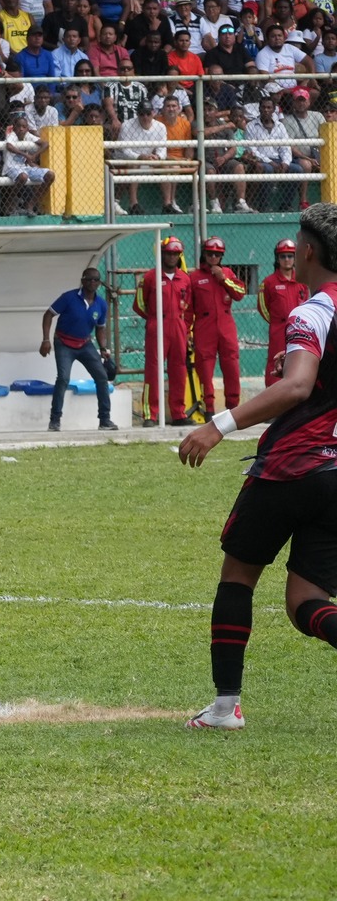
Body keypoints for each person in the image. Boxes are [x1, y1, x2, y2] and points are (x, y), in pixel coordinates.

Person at [179, 204, 337, 731]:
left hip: (292, 467)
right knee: (305, 602)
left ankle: (225, 707)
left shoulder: (313, 311)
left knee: (239, 576)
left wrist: (216, 425)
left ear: (309, 251)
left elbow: (295, 387)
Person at [40, 267, 117, 433]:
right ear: (82, 281)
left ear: (99, 283)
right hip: (63, 342)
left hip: (84, 343)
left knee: (102, 377)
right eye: (89, 279)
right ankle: (55, 420)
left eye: (96, 280)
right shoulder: (69, 297)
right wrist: (46, 339)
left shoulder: (101, 304)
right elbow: (48, 315)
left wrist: (103, 348)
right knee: (63, 378)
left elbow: (100, 328)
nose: (92, 283)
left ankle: (105, 419)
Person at [136, 237, 196, 426]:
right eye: (169, 253)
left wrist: (185, 328)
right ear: (162, 254)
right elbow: (139, 304)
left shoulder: (185, 278)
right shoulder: (150, 277)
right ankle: (150, 415)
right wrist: (155, 318)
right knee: (153, 371)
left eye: (175, 254)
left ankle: (178, 413)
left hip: (178, 326)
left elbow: (189, 306)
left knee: (179, 369)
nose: (172, 257)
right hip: (157, 325)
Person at [190, 236, 247, 416]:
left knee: (231, 365)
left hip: (226, 324)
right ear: (204, 255)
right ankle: (209, 408)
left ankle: (233, 407)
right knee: (205, 368)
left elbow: (240, 293)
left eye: (217, 254)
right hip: (204, 326)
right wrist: (187, 332)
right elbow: (188, 309)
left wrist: (223, 279)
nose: (213, 257)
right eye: (210, 254)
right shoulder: (194, 277)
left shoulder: (228, 273)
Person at [260, 239, 309, 382]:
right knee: (275, 362)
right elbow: (263, 307)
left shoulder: (302, 281)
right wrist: (278, 321)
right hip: (278, 329)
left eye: (290, 256)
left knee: (298, 360)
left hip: (298, 328)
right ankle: (273, 399)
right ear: (277, 258)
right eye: (283, 256)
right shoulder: (269, 282)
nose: (286, 260)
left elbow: (306, 303)